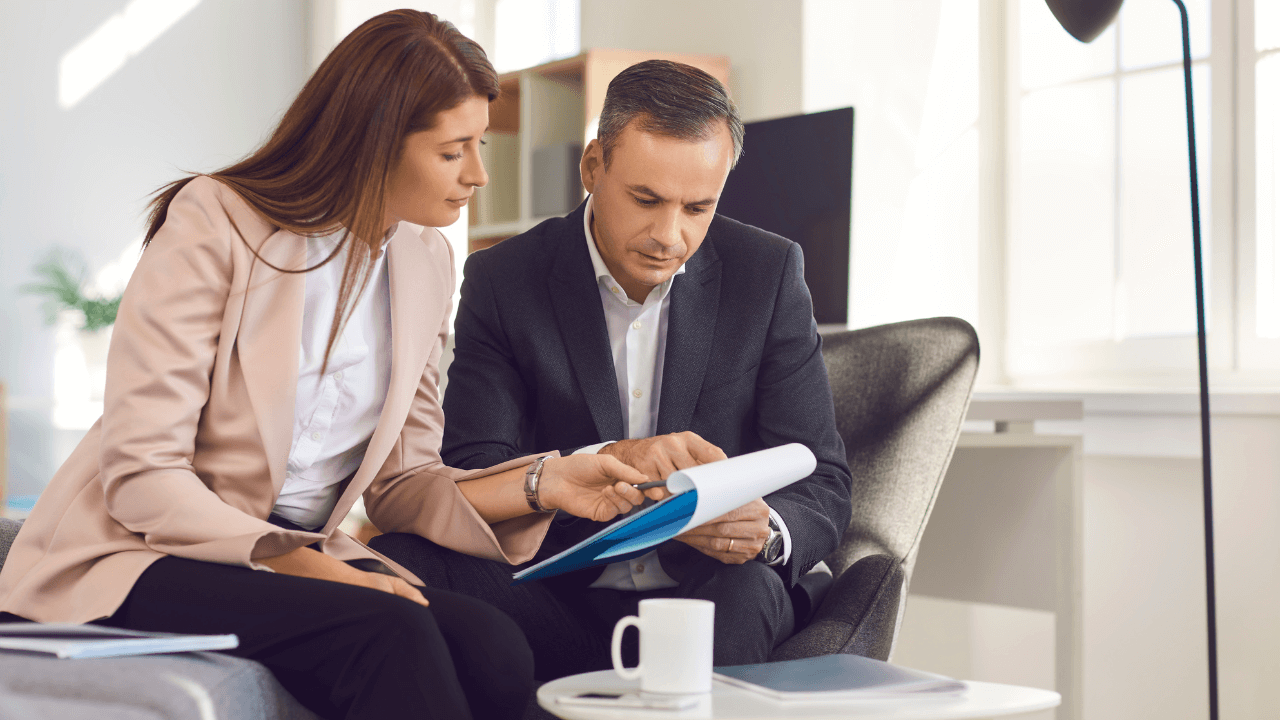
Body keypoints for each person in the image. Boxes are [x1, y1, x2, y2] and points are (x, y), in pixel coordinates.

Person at [0, 11, 651, 720]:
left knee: (494, 644)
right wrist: (301, 562)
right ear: (375, 144)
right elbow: (142, 474)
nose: (478, 174)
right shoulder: (214, 222)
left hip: (292, 554)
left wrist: (544, 482)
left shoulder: (426, 259)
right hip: (142, 548)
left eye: (481, 143)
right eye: (452, 150)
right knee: (387, 632)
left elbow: (405, 483)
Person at [371, 60, 854, 680]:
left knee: (746, 589)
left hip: (712, 594)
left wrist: (766, 530)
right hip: (560, 589)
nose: (668, 235)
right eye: (646, 199)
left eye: (697, 208)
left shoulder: (768, 272)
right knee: (403, 559)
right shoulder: (505, 279)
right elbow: (475, 466)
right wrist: (610, 461)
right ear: (593, 166)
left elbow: (824, 477)